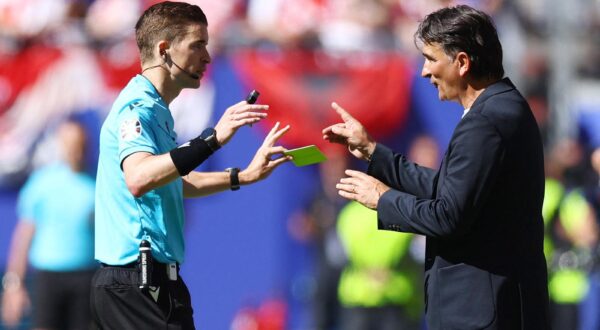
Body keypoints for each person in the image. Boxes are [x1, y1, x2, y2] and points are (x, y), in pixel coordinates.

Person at [322, 5, 550, 330]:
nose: (424, 72)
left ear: (461, 62)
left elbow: (448, 215)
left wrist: (383, 199)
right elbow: (452, 190)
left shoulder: (485, 122)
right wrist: (374, 152)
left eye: (431, 58)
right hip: (498, 307)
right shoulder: (504, 107)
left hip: (483, 313)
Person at [91, 2, 291, 329]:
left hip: (157, 281)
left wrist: (242, 176)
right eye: (197, 45)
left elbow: (172, 181)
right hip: (134, 283)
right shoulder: (137, 107)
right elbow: (139, 177)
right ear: (164, 49)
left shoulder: (158, 110)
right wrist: (212, 139)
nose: (207, 57)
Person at [1, 120, 97, 330]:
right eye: (71, 145)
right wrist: (14, 285)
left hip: (86, 278)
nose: (76, 151)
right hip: (48, 278)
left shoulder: (97, 182)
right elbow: (24, 235)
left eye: (80, 144)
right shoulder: (41, 183)